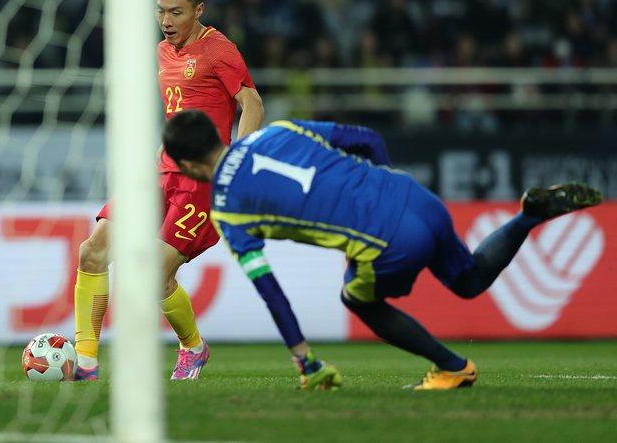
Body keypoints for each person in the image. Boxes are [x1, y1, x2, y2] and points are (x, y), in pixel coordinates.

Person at [162, 110, 602, 390]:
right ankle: (528, 216)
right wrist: (384, 191)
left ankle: (453, 367)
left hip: (388, 240)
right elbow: (368, 138)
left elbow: (269, 288)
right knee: (468, 280)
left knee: (357, 298)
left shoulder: (227, 207)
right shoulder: (278, 130)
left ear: (186, 165)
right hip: (415, 197)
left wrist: (304, 358)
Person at [73, 0, 264, 381]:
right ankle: (85, 362)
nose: (166, 21)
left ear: (198, 10)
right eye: (161, 11)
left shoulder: (219, 50)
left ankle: (192, 348)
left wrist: (236, 163)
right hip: (161, 173)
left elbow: (252, 103)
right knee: (92, 251)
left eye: (176, 12)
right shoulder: (163, 51)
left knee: (152, 276)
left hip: (201, 182)